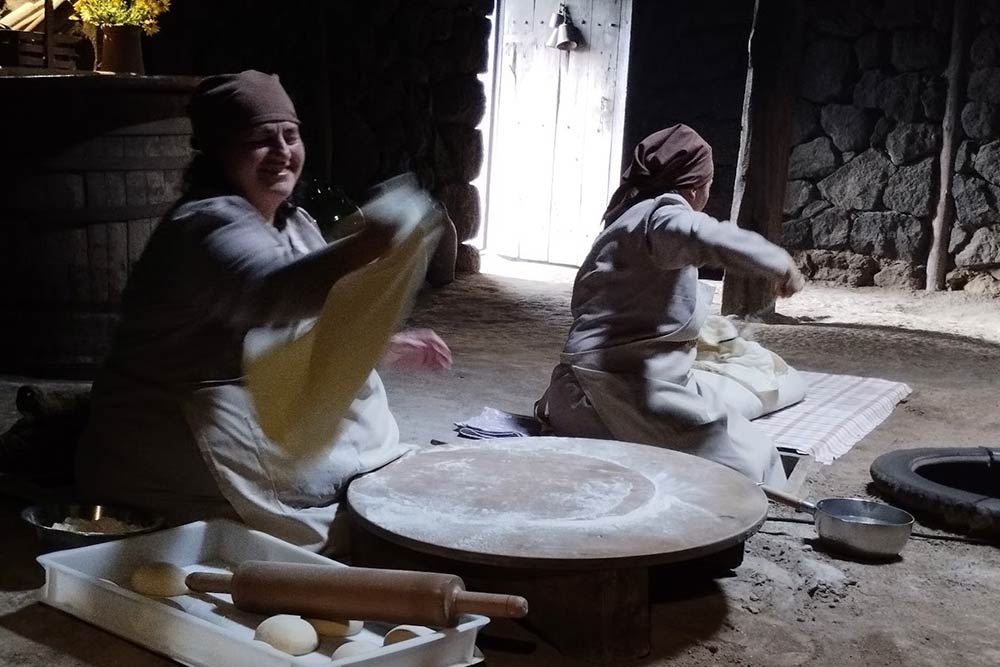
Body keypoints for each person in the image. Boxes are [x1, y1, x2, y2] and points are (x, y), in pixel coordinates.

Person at [75, 70, 450, 553]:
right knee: (315, 500)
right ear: (218, 153)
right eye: (259, 140)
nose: (281, 153)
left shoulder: (295, 222)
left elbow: (312, 325)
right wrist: (369, 244)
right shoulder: (203, 225)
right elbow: (274, 295)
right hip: (176, 412)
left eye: (290, 136)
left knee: (360, 402)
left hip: (250, 388)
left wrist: (378, 345)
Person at [536, 125, 804, 486]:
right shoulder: (662, 218)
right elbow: (704, 234)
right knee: (751, 463)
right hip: (606, 401)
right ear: (695, 188)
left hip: (584, 392)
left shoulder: (631, 217)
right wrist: (777, 261)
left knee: (737, 400)